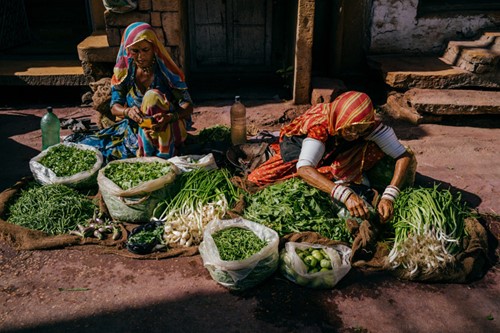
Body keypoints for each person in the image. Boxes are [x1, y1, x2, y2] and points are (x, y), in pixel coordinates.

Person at [247, 91, 414, 223]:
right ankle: (329, 172)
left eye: (359, 131)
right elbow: (305, 169)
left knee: (375, 149)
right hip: (301, 145)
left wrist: (389, 196)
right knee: (257, 179)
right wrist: (345, 194)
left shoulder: (368, 125)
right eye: (349, 129)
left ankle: (333, 171)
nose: (354, 135)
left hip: (337, 148)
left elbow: (403, 155)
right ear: (339, 120)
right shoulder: (321, 125)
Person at [110, 21, 194, 158]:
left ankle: (161, 152)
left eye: (145, 50)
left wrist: (169, 117)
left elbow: (188, 105)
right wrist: (127, 111)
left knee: (151, 96)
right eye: (135, 51)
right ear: (128, 50)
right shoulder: (126, 71)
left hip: (167, 126)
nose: (140, 56)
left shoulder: (165, 71)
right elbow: (114, 106)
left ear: (153, 48)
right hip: (138, 127)